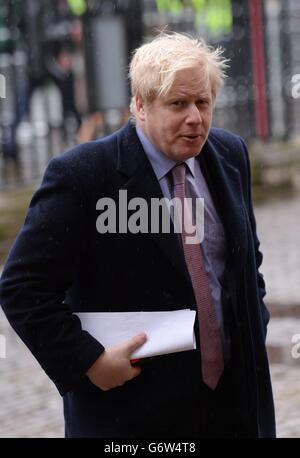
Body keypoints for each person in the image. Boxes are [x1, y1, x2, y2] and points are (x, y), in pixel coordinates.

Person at [0, 32, 275, 438]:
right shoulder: (83, 175)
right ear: (140, 106)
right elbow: (22, 288)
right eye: (178, 104)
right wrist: (88, 361)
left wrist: (254, 328)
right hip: (133, 414)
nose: (195, 117)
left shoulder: (230, 154)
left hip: (233, 405)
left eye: (202, 102)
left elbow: (245, 263)